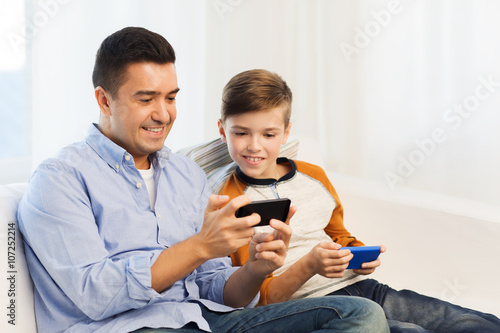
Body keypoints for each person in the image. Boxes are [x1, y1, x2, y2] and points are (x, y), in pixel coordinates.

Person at [17, 27, 389, 333]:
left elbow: (218, 290)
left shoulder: (185, 175)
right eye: (146, 99)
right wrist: (199, 246)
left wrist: (256, 268)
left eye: (171, 97)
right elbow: (94, 295)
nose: (163, 114)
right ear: (103, 100)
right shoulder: (59, 180)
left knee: (360, 315)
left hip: (205, 321)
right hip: (128, 328)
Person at [217, 69, 500, 333]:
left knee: (475, 323)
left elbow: (339, 235)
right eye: (241, 133)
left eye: (268, 134)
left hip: (362, 287)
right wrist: (309, 266)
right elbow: (258, 299)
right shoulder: (229, 201)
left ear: (286, 133)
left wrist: (357, 255)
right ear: (222, 130)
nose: (254, 145)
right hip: (311, 307)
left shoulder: (313, 176)